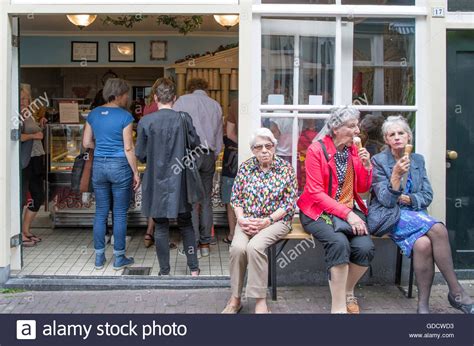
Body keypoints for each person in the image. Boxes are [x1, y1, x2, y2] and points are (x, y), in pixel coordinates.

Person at [371, 115, 473, 314]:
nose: (397, 137)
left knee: (423, 244)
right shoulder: (379, 161)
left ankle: (423, 306)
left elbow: (427, 195)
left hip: (415, 214)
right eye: (392, 134)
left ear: (409, 137)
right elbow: (385, 199)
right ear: (386, 140)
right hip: (391, 215)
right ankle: (456, 292)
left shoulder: (417, 160)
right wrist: (395, 176)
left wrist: (410, 199)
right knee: (438, 228)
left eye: (401, 133)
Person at [297, 106, 375, 314]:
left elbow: (361, 188)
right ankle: (338, 308)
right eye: (351, 126)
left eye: (357, 125)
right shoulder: (317, 150)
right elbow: (315, 192)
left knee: (365, 248)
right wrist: (349, 215)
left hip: (347, 210)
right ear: (335, 128)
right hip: (317, 212)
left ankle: (348, 290)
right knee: (339, 243)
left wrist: (366, 167)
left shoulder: (353, 151)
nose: (357, 130)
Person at [222, 128, 297, 314]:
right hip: (247, 220)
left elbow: (289, 203)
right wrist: (241, 218)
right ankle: (235, 298)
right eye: (259, 147)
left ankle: (260, 301)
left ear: (274, 147)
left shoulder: (286, 169)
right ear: (253, 150)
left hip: (276, 221)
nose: (264, 150)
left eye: (268, 146)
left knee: (255, 247)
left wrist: (268, 220)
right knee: (238, 248)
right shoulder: (246, 168)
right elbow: (236, 199)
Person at [135, 78, 200, 276]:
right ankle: (194, 268)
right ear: (175, 98)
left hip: (156, 180)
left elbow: (141, 154)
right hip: (180, 181)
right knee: (186, 224)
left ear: (155, 97)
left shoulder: (146, 121)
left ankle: (164, 271)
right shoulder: (184, 118)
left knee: (161, 226)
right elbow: (196, 145)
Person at [83, 78, 140, 271]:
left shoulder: (94, 114)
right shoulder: (125, 117)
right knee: (119, 213)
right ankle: (119, 258)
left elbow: (85, 143)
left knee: (100, 212)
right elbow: (128, 148)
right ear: (120, 94)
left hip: (99, 165)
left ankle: (99, 257)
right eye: (126, 95)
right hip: (119, 167)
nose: (127, 98)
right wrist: (136, 172)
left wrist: (100, 147)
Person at [173, 78, 223, 257]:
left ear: (190, 88)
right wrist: (213, 154)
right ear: (206, 88)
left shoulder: (182, 101)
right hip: (209, 154)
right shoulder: (216, 105)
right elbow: (218, 137)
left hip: (190, 154)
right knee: (206, 200)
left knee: (192, 201)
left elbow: (174, 129)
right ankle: (205, 244)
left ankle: (191, 244)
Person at [141, 79, 176, 251]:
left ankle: (149, 232)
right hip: (170, 166)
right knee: (165, 203)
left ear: (155, 95)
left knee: (156, 201)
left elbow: (141, 150)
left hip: (153, 165)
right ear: (173, 97)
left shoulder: (147, 111)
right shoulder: (174, 115)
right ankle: (158, 236)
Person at [20, 85, 47, 247]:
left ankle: (26, 230)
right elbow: (15, 136)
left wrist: (41, 125)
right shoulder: (14, 116)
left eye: (27, 99)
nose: (24, 101)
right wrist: (33, 135)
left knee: (38, 196)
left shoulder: (28, 114)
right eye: (21, 99)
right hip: (25, 160)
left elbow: (37, 134)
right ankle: (18, 233)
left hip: (36, 158)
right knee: (21, 197)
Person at [221, 98, 238, 244]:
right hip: (253, 157)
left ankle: (233, 234)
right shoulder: (263, 101)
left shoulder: (235, 104)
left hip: (232, 159)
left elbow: (230, 134)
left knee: (231, 198)